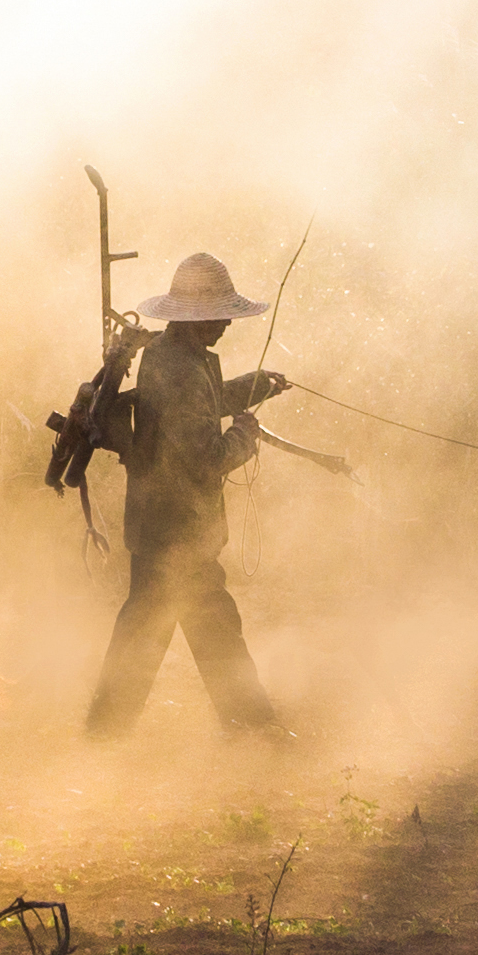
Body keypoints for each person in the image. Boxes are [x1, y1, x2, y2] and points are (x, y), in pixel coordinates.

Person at [83, 251, 294, 739]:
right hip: (177, 531)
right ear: (200, 317)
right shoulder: (180, 368)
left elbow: (202, 405)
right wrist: (246, 434)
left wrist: (257, 386)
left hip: (164, 527)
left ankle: (105, 733)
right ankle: (253, 731)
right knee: (196, 631)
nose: (225, 324)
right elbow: (206, 457)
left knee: (166, 631)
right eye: (220, 315)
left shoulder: (173, 355)